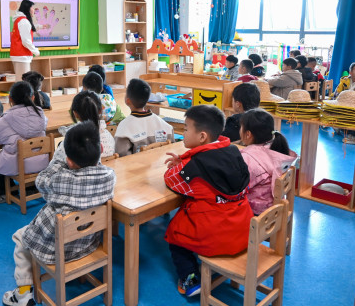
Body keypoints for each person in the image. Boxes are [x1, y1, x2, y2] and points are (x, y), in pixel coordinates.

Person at [2, 121, 116, 306]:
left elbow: (41, 181)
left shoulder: (60, 180)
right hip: (88, 244)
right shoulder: (109, 177)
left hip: (55, 251)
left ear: (68, 160)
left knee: (20, 238)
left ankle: (23, 294)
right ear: (101, 149)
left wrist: (60, 161)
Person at [163, 105, 253, 297]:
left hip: (214, 235)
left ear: (202, 136)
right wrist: (185, 161)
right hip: (243, 229)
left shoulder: (193, 165)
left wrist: (180, 164)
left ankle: (190, 280)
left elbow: (171, 179)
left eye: (186, 129)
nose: (183, 133)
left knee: (175, 235)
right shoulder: (234, 151)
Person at [0, 81, 49, 204]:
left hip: (19, 164)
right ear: (33, 97)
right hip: (41, 162)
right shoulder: (40, 114)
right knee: (25, 158)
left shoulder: (7, 117)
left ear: (10, 98)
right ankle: (31, 187)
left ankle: (4, 192)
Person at [239, 109, 297, 215]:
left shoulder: (248, 158)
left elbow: (238, 186)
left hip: (256, 212)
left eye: (241, 127)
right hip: (275, 207)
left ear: (248, 134)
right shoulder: (276, 147)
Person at [114, 78, 174, 156]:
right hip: (162, 163)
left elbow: (121, 156)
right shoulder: (166, 126)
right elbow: (172, 148)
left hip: (137, 163)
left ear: (128, 101)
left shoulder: (124, 127)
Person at [52, 91, 115, 164]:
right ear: (101, 111)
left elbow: (54, 165)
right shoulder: (109, 137)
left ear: (75, 113)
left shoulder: (70, 144)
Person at [10, 0, 41, 81]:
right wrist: (35, 51)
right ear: (28, 9)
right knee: (23, 83)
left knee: (21, 82)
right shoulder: (24, 21)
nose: (33, 10)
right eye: (32, 7)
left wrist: (40, 26)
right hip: (22, 55)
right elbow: (26, 41)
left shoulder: (20, 20)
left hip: (18, 55)